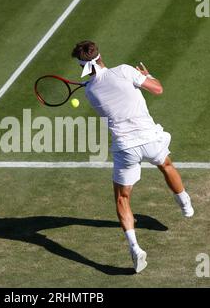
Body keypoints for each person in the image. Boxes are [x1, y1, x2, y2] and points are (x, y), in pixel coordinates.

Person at [71, 40, 194, 273]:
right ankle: (185, 204)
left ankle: (135, 248)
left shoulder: (89, 91)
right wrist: (148, 75)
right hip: (149, 139)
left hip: (125, 147)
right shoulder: (126, 71)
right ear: (100, 55)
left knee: (122, 199)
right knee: (166, 164)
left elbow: (102, 87)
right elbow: (157, 89)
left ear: (82, 66)